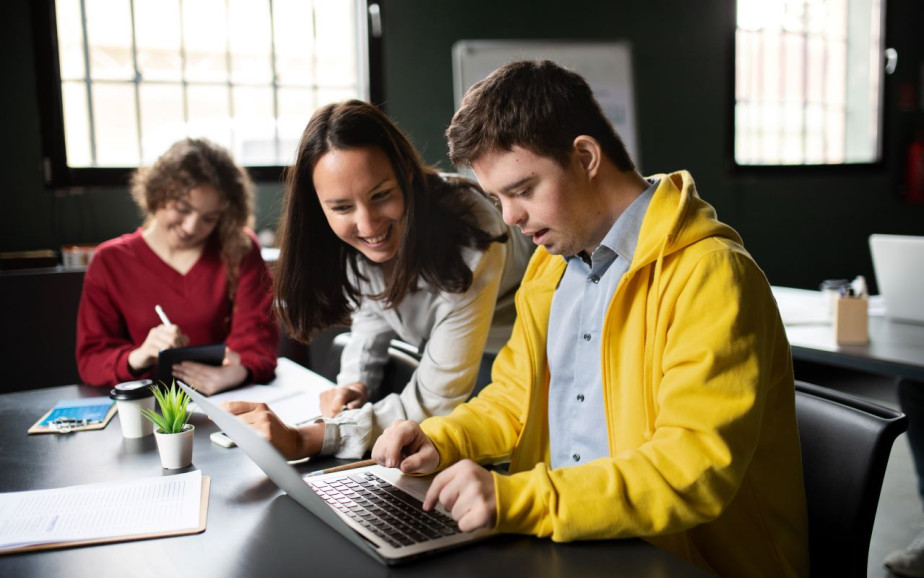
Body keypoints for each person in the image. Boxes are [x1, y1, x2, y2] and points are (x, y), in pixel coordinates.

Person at [371, 60, 810, 578]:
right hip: (572, 545)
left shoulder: (712, 275)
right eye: (498, 199)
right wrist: (444, 438)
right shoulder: (548, 270)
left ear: (585, 156)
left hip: (683, 561)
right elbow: (516, 396)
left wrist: (519, 498)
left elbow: (691, 470)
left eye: (523, 189)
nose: (509, 217)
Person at [224, 100, 532, 460]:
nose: (368, 226)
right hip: (453, 361)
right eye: (341, 207)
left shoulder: (471, 230)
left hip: (515, 352)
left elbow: (435, 400)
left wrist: (311, 437)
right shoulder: (348, 243)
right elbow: (373, 311)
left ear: (408, 176)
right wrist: (355, 382)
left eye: (381, 195)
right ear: (318, 208)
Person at [76, 138, 279, 393]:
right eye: (183, 209)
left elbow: (258, 341)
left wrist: (235, 372)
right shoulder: (110, 261)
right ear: (158, 193)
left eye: (209, 218)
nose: (191, 227)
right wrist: (138, 356)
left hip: (224, 400)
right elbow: (92, 359)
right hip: (144, 405)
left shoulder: (239, 248)